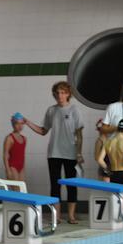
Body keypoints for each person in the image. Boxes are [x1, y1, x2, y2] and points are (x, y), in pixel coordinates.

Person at [25, 81, 84, 224]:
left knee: (71, 184)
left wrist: (79, 153)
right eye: (57, 93)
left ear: (68, 94)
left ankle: (71, 216)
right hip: (54, 153)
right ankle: (56, 216)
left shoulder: (74, 110)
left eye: (63, 93)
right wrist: (27, 122)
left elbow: (79, 134)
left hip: (70, 153)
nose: (60, 95)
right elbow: (43, 131)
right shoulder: (51, 110)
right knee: (55, 185)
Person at [3, 113, 27, 182]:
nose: (20, 126)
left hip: (21, 167)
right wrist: (7, 170)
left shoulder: (24, 138)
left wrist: (24, 168)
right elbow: (5, 155)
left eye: (21, 123)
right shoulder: (9, 138)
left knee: (22, 188)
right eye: (17, 123)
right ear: (13, 124)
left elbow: (22, 155)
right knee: (16, 188)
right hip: (12, 167)